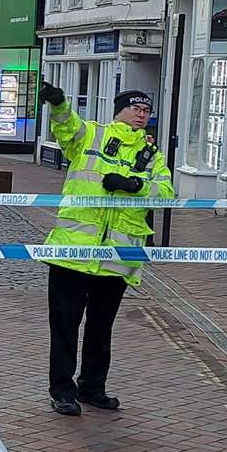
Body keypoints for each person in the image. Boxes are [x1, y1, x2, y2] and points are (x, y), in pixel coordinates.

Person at [37, 84, 174, 416]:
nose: (142, 115)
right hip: (74, 251)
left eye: (146, 111)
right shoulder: (92, 136)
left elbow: (166, 192)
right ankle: (62, 391)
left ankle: (92, 387)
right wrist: (58, 102)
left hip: (116, 256)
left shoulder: (151, 155)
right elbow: (66, 125)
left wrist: (134, 185)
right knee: (65, 324)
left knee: (101, 326)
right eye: (136, 109)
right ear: (120, 110)